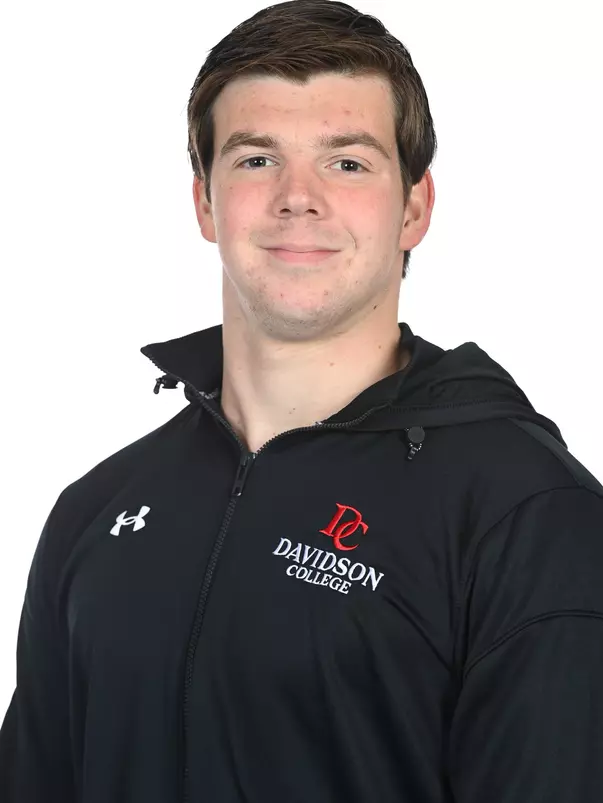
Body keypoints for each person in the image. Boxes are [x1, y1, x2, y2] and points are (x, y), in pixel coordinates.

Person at [1, 0, 603, 800]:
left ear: (414, 208)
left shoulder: (524, 512)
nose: (297, 197)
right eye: (255, 160)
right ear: (205, 203)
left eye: (346, 162)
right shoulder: (98, 509)